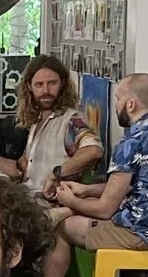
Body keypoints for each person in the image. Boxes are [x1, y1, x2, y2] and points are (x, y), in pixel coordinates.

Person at [38, 72, 148, 277]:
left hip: (141, 232)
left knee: (59, 228)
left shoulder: (132, 141)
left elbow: (104, 210)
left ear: (131, 104)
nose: (116, 105)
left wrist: (70, 200)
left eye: (118, 99)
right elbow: (138, 185)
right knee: (81, 208)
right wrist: (86, 190)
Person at [7, 54, 103, 196]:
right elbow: (19, 169)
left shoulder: (72, 120)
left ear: (62, 83)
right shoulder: (37, 121)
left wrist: (55, 174)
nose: (45, 91)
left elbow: (93, 151)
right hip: (29, 201)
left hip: (54, 204)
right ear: (29, 86)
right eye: (39, 85)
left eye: (52, 83)